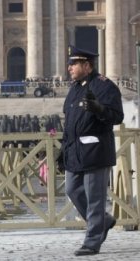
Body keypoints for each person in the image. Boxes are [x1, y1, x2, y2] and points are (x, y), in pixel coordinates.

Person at [63, 45, 124, 256]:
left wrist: (99, 109)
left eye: (73, 64)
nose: (69, 67)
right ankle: (103, 221)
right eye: (69, 63)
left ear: (87, 66)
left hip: (96, 151)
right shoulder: (75, 88)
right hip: (75, 151)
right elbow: (70, 123)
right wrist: (63, 151)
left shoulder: (104, 86)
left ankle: (92, 241)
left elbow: (116, 116)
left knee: (95, 197)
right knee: (72, 190)